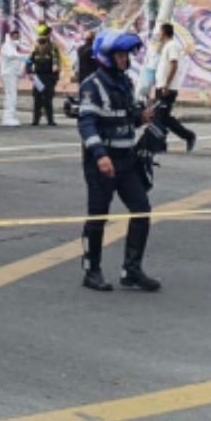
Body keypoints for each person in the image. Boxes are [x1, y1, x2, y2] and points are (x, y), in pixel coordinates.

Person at [77, 28, 161, 293]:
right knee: (98, 217)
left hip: (127, 161)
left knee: (141, 209)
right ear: (107, 57)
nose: (126, 59)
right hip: (102, 163)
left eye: (126, 55)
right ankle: (92, 271)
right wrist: (100, 155)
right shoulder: (92, 85)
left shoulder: (124, 83)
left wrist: (141, 118)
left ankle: (132, 270)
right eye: (121, 55)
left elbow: (125, 118)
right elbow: (87, 123)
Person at [152, 22, 197, 152]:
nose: (158, 35)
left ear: (164, 33)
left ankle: (188, 136)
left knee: (163, 116)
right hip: (162, 86)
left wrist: (167, 85)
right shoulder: (167, 46)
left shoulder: (172, 46)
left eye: (160, 32)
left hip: (168, 88)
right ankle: (161, 144)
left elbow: (174, 64)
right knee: (160, 116)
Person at [25, 24, 62, 126]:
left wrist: (55, 77)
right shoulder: (35, 48)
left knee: (48, 99)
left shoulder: (53, 48)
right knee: (37, 98)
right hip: (38, 76)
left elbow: (57, 62)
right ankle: (36, 119)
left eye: (46, 34)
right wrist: (29, 72)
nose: (43, 37)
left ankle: (50, 120)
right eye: (42, 35)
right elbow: (29, 61)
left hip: (49, 76)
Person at [0, 28, 23, 127]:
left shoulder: (13, 46)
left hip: (12, 74)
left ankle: (10, 116)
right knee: (11, 95)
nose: (17, 38)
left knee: (12, 95)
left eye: (18, 36)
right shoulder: (7, 46)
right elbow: (10, 55)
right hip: (8, 74)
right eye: (15, 36)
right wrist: (21, 56)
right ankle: (8, 117)